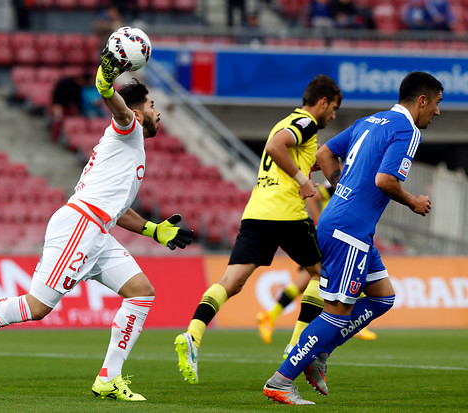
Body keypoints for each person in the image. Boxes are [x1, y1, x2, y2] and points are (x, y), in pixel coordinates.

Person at [0, 49, 193, 401]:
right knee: (37, 308)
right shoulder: (128, 128)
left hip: (98, 229)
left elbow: (117, 210)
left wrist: (153, 229)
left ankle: (109, 378)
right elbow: (113, 101)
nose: (158, 112)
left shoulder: (131, 148)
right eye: (153, 105)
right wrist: (106, 76)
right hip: (80, 227)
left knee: (141, 292)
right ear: (139, 111)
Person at [263, 71, 442, 405]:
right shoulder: (407, 130)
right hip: (350, 230)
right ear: (422, 101)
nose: (438, 111)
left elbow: (324, 154)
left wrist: (339, 186)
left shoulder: (371, 120)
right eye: (437, 103)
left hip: (348, 225)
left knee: (383, 297)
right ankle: (281, 380)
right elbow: (385, 180)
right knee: (337, 312)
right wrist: (414, 201)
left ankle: (320, 352)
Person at [174, 75, 342, 385]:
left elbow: (284, 150)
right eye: (333, 108)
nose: (333, 115)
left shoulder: (287, 121)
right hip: (286, 212)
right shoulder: (306, 123)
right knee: (324, 274)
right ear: (322, 102)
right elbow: (276, 147)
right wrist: (303, 181)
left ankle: (193, 335)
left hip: (257, 211)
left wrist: (307, 169)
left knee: (232, 281)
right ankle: (296, 346)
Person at [257, 180, 377, 350]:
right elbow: (313, 198)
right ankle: (350, 325)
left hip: (332, 236)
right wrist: (321, 220)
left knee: (306, 281)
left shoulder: (352, 178)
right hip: (330, 236)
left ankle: (272, 317)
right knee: (329, 278)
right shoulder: (340, 180)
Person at [50, 72, 94, 142]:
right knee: (58, 119)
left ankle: (67, 137)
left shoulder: (81, 88)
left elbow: (78, 100)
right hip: (59, 104)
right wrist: (57, 105)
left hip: (70, 106)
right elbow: (57, 93)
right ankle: (55, 137)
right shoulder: (67, 81)